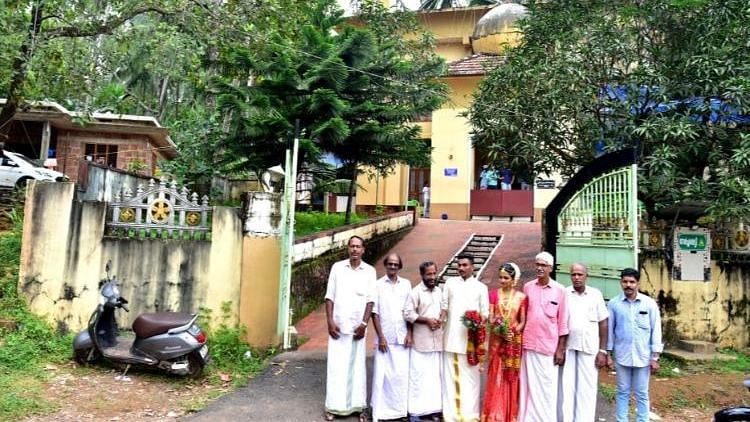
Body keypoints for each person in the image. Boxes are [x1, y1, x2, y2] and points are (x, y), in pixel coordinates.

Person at [324, 236, 377, 421]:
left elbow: (371, 301)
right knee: (336, 367)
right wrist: (330, 321)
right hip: (338, 327)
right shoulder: (337, 268)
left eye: (358, 246)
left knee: (357, 368)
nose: (355, 249)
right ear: (348, 249)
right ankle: (332, 406)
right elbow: (329, 296)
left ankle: (358, 406)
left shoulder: (369, 271)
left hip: (357, 329)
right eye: (352, 246)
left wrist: (364, 324)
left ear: (363, 250)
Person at [518, 251, 569, 422]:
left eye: (544, 265)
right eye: (537, 264)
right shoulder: (528, 287)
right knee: (528, 385)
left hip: (548, 347)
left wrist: (561, 349)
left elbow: (563, 323)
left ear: (551, 268)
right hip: (529, 343)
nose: (539, 268)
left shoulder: (560, 291)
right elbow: (523, 316)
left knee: (547, 387)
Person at [607, 268, 663, 422]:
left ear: (638, 283)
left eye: (632, 282)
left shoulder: (649, 304)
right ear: (621, 283)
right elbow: (610, 330)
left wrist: (655, 357)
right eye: (625, 281)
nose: (628, 285)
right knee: (622, 391)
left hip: (643, 357)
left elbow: (656, 330)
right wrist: (608, 355)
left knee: (642, 393)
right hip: (622, 356)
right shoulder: (614, 304)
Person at [440, 253, 489, 422]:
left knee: (472, 381)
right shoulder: (450, 283)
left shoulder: (481, 287)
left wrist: (476, 322)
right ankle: (452, 415)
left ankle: (471, 415)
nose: (461, 268)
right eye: (459, 265)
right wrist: (440, 319)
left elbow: (485, 314)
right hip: (452, 340)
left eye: (465, 265)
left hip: (472, 342)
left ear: (472, 267)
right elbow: (444, 308)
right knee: (452, 380)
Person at [558, 263, 609, 422]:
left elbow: (603, 323)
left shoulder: (595, 294)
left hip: (590, 348)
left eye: (580, 274)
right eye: (574, 274)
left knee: (587, 388)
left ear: (587, 276)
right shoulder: (564, 293)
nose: (577, 277)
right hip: (569, 347)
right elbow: (560, 322)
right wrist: (560, 349)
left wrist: (603, 351)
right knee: (567, 387)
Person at [481, 263, 527, 422]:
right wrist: (499, 329)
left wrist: (513, 332)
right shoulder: (493, 294)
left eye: (506, 278)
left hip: (512, 343)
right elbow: (491, 318)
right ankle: (492, 415)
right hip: (497, 341)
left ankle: (509, 415)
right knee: (495, 376)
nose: (502, 280)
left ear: (514, 279)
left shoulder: (521, 297)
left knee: (510, 377)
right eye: (500, 277)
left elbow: (522, 321)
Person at [371, 253, 412, 422]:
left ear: (399, 266)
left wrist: (409, 333)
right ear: (385, 265)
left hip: (402, 337)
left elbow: (409, 311)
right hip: (385, 338)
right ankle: (379, 412)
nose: (393, 267)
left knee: (400, 376)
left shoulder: (406, 285)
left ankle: (399, 411)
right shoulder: (377, 285)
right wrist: (380, 336)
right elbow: (375, 313)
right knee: (382, 375)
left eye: (396, 264)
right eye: (390, 264)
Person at [403, 261, 444, 421]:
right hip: (421, 343)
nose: (432, 277)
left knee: (434, 378)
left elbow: (443, 310)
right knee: (418, 378)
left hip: (437, 342)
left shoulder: (440, 291)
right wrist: (426, 320)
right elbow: (408, 314)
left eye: (434, 273)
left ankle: (434, 410)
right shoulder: (416, 292)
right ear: (422, 275)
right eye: (429, 274)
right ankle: (415, 412)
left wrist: (440, 319)